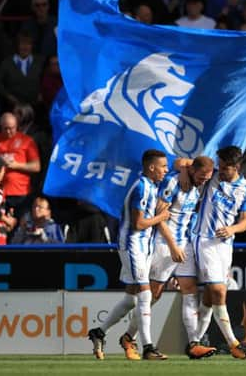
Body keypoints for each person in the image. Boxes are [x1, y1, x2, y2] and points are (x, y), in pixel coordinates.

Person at [121, 156, 217, 360]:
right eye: (201, 177)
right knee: (152, 295)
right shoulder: (172, 182)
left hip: (185, 244)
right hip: (164, 245)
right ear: (192, 171)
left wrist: (185, 168)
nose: (204, 181)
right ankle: (129, 336)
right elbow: (160, 217)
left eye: (207, 178)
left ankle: (194, 343)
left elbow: (186, 161)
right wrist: (172, 246)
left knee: (190, 290)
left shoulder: (196, 183)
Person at [88, 149, 170, 361]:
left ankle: (99, 332)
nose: (166, 170)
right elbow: (138, 223)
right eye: (163, 166)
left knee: (131, 298)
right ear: (151, 167)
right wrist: (161, 216)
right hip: (132, 245)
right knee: (145, 294)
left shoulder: (151, 186)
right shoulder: (142, 187)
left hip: (144, 247)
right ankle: (148, 347)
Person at [191, 145, 246, 359]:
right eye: (219, 165)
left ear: (236, 167)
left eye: (225, 167)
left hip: (225, 246)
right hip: (204, 241)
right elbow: (184, 165)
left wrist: (231, 229)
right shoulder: (212, 177)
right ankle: (233, 343)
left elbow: (245, 222)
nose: (220, 170)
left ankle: (195, 342)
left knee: (210, 296)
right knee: (219, 291)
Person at [0, 112, 41, 220]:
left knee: (21, 226)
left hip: (21, 192)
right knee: (0, 226)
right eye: (5, 128)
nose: (8, 131)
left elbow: (36, 166)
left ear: (16, 126)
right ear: (0, 127)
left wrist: (16, 165)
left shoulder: (27, 140)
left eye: (11, 128)